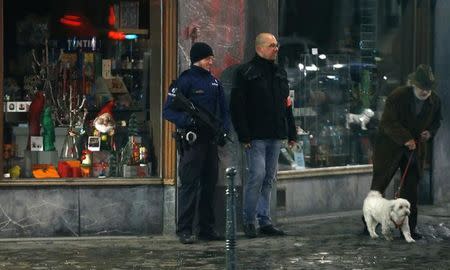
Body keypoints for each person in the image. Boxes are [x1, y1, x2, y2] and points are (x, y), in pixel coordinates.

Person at [163, 42, 230, 244]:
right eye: (208, 58)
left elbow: (224, 112)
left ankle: (206, 229)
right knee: (189, 186)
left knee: (209, 185)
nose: (211, 61)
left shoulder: (214, 83)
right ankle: (184, 230)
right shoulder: (184, 81)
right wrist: (188, 121)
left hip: (210, 141)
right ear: (197, 59)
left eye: (211, 58)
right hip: (192, 142)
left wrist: (223, 130)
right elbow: (168, 111)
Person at [230, 33, 296, 238]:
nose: (276, 49)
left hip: (275, 134)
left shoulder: (280, 73)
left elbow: (287, 105)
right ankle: (249, 220)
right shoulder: (245, 72)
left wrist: (291, 132)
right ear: (259, 48)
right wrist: (244, 135)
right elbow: (237, 106)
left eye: (277, 45)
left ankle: (264, 220)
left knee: (269, 178)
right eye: (271, 45)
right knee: (257, 175)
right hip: (255, 136)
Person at [367, 64, 442, 239]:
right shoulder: (398, 96)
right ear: (414, 85)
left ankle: (409, 228)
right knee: (379, 185)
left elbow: (437, 122)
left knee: (411, 189)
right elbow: (387, 122)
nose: (425, 92)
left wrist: (429, 133)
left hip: (414, 149)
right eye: (422, 88)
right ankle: (369, 224)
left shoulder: (435, 101)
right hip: (389, 147)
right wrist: (405, 138)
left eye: (428, 89)